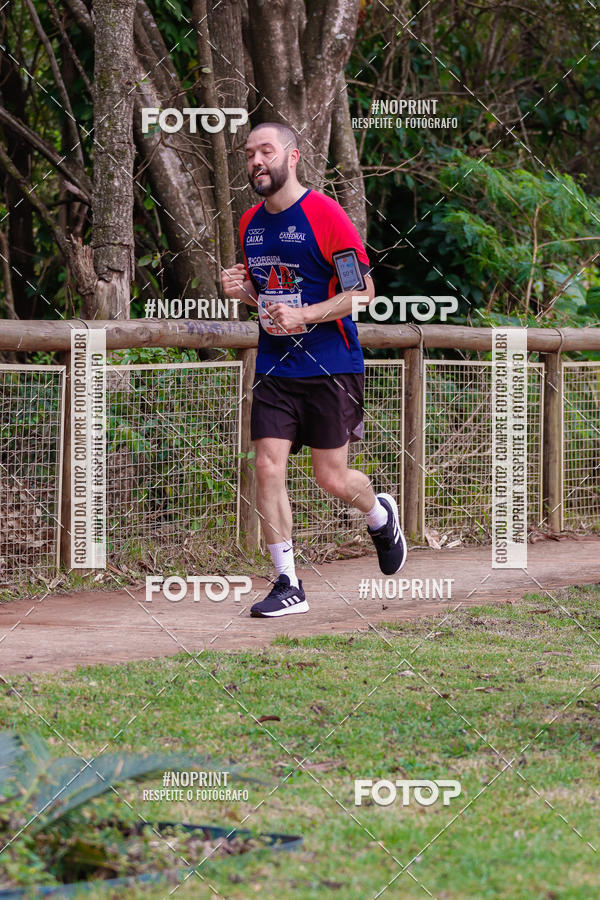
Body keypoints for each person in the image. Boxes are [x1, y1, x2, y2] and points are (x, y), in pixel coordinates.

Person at [222, 122, 406, 617]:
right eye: (249, 154)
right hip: (275, 365)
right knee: (266, 466)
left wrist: (305, 314)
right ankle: (287, 582)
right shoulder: (249, 223)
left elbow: (362, 292)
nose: (256, 161)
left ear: (292, 156)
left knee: (331, 477)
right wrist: (243, 292)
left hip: (330, 365)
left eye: (266, 151)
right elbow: (270, 295)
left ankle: (378, 512)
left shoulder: (324, 214)